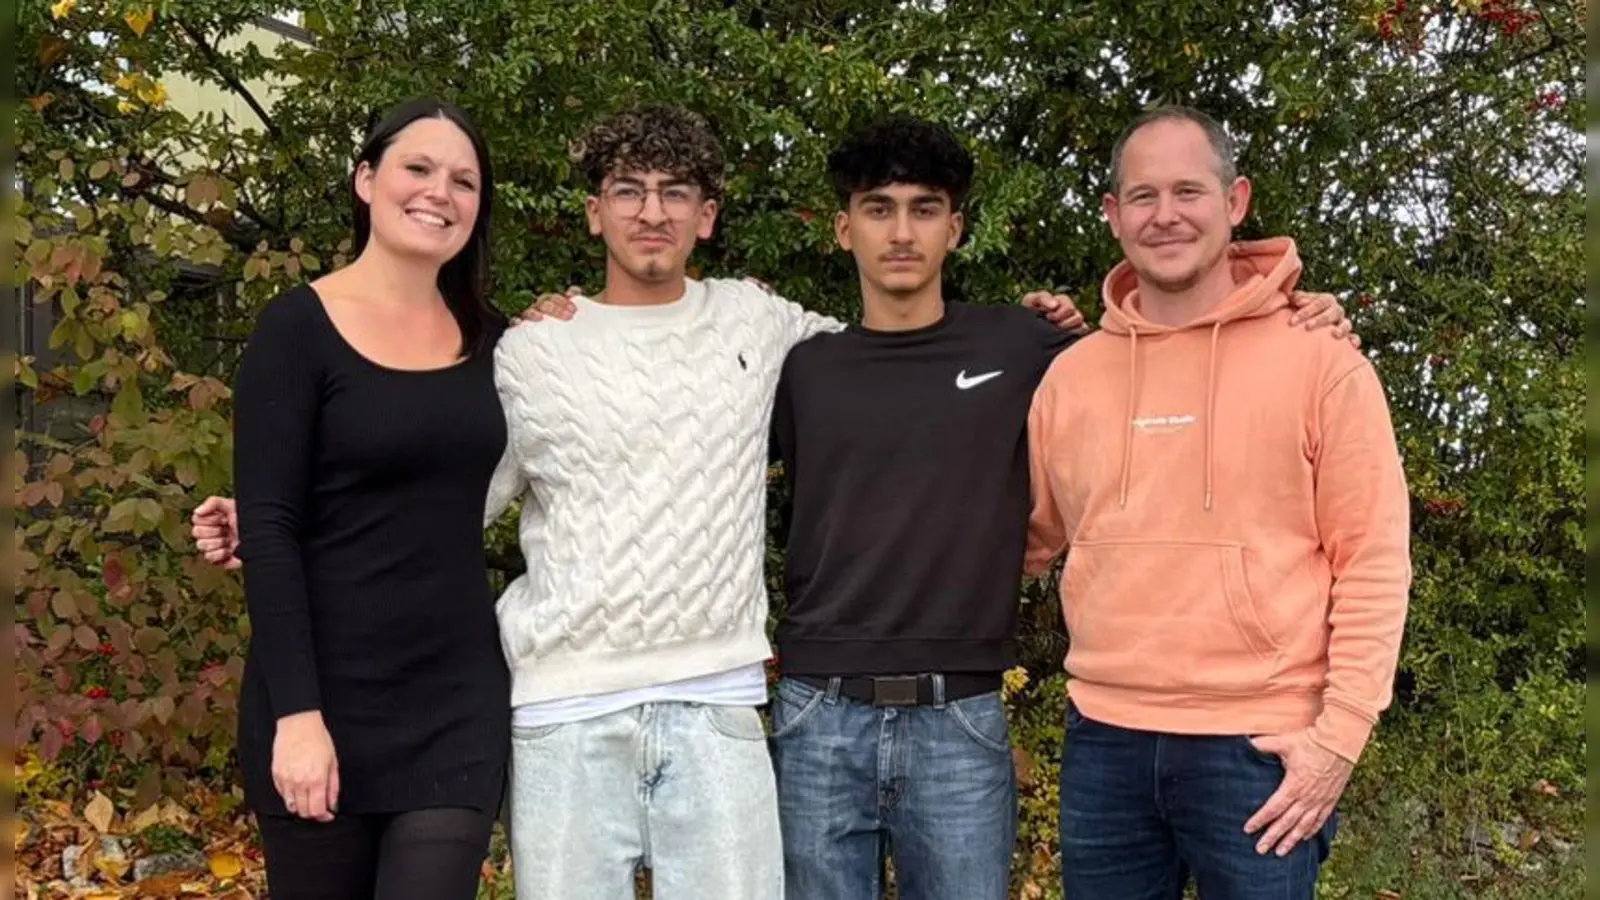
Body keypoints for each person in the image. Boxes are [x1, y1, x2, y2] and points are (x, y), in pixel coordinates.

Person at [1025, 105, 1411, 899]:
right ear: (1112, 215)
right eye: (1142, 196)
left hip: (1260, 746)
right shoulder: (1070, 377)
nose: (1165, 216)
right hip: (1105, 741)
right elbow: (1027, 540)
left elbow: (1373, 561)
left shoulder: (1321, 363)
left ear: (1235, 202)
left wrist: (1339, 738)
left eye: (1188, 191)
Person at [229, 98, 511, 900]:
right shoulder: (296, 328)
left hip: (456, 702)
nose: (439, 192)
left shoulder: (500, 343)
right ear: (365, 180)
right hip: (321, 698)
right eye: (417, 168)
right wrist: (298, 717)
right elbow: (273, 524)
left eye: (464, 180)